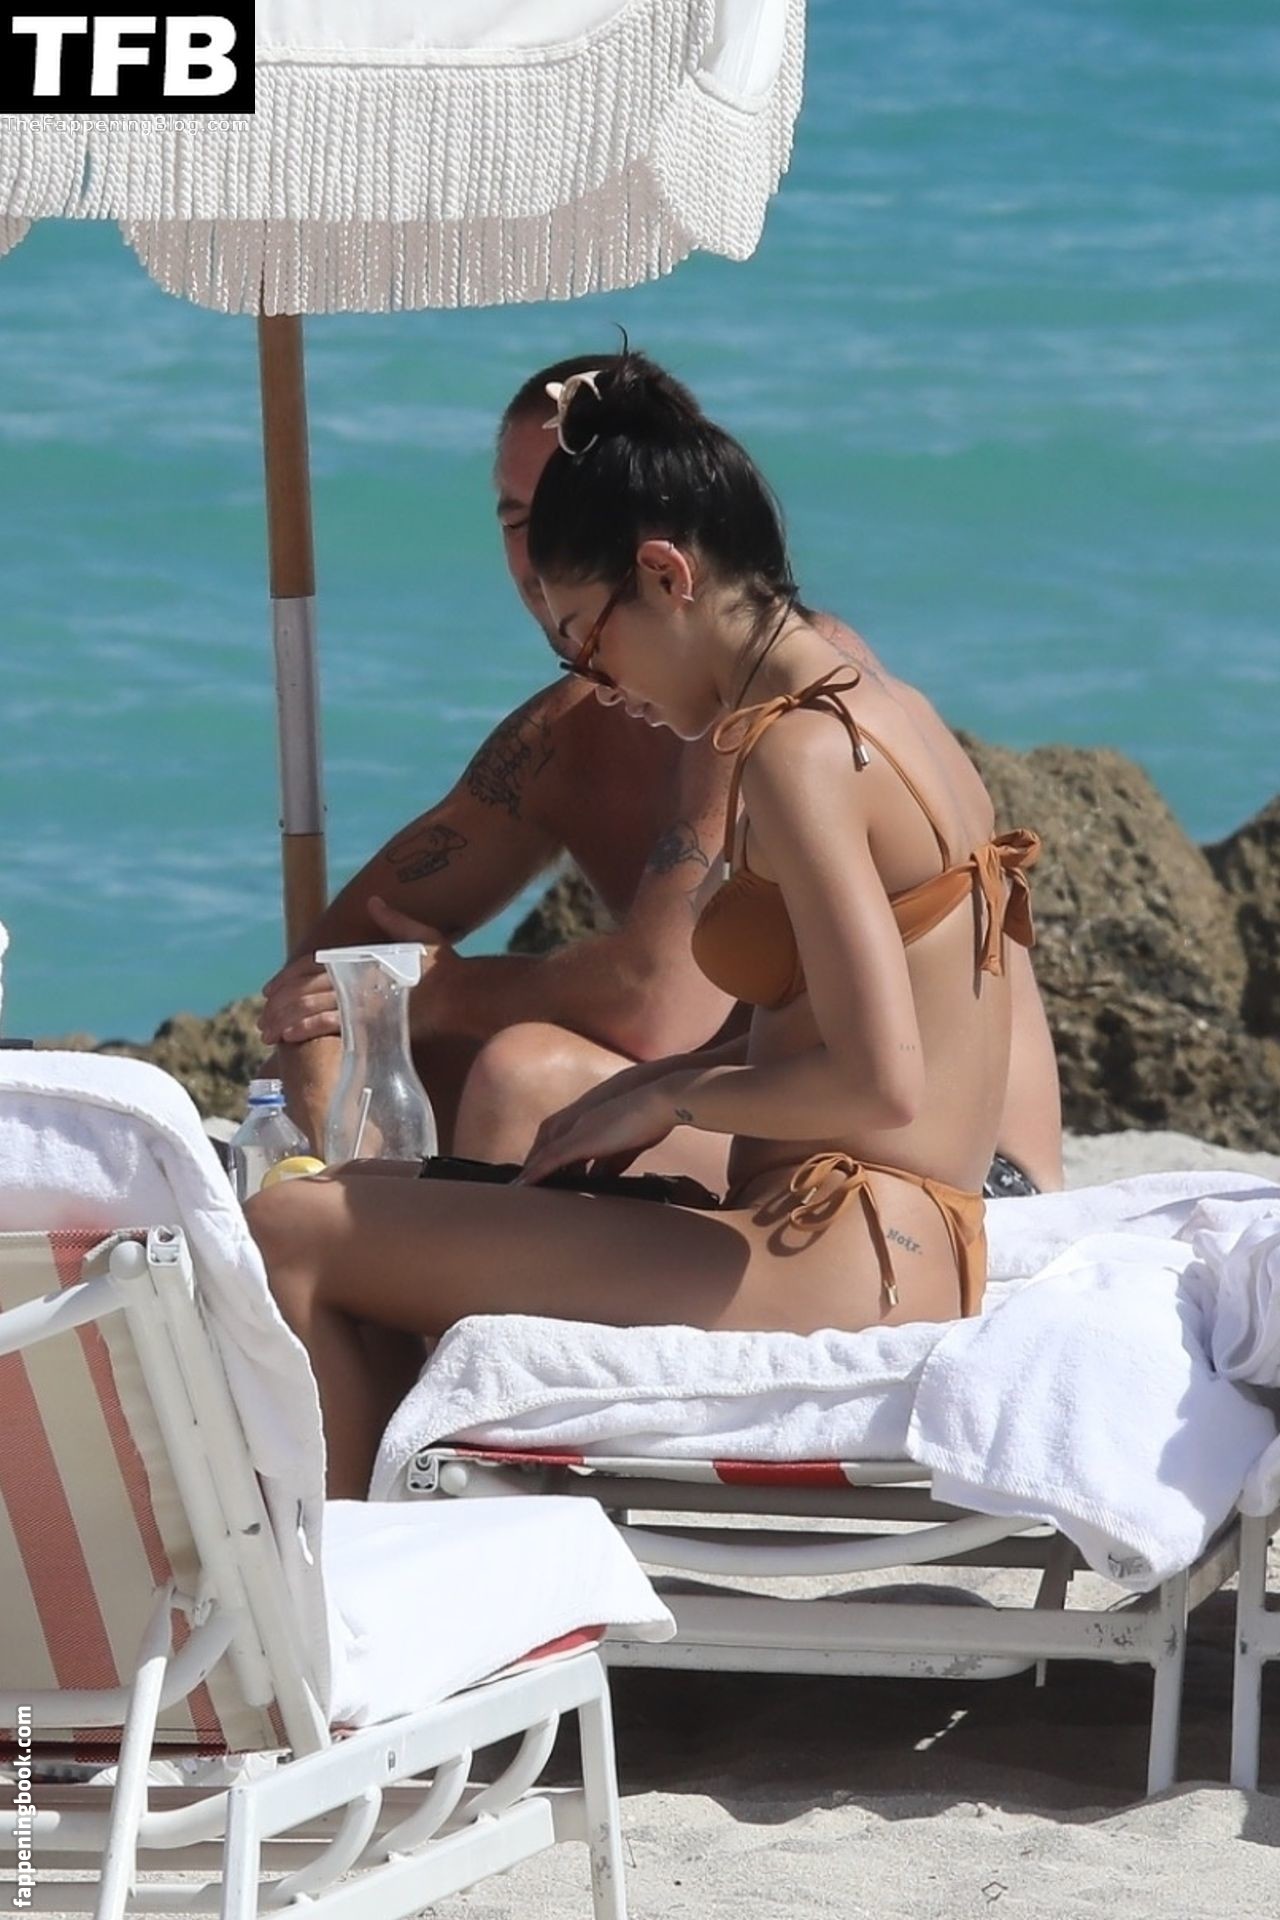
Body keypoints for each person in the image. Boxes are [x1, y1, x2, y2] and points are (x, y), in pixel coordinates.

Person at [248, 353, 1050, 1498]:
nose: (595, 677)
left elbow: (880, 1085)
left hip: (840, 1255)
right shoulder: (885, 712)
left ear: (666, 575)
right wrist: (649, 1085)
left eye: (586, 634)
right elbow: (835, 1022)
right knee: (371, 1202)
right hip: (880, 1242)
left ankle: (357, 1577)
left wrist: (667, 1100)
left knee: (294, 1234)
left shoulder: (792, 752)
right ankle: (399, 1531)